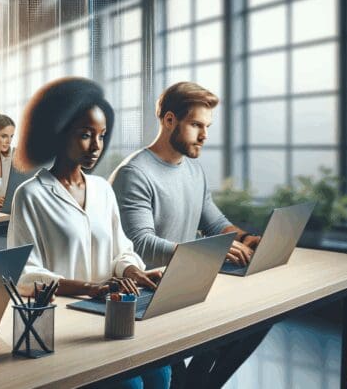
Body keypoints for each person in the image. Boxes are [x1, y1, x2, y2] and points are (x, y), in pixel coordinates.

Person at [7, 77, 170, 389]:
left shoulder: (101, 190)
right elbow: (25, 276)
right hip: (64, 327)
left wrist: (132, 270)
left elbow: (120, 248)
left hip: (110, 317)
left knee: (161, 373)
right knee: (130, 385)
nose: (96, 146)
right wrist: (91, 288)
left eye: (101, 135)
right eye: (85, 135)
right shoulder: (31, 195)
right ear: (58, 132)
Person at [109, 81, 265, 388]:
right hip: (147, 296)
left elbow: (215, 223)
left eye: (207, 126)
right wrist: (209, 253)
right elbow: (141, 246)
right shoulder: (134, 174)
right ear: (169, 120)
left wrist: (247, 240)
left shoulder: (193, 170)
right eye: (196, 125)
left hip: (186, 284)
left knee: (259, 318)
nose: (205, 136)